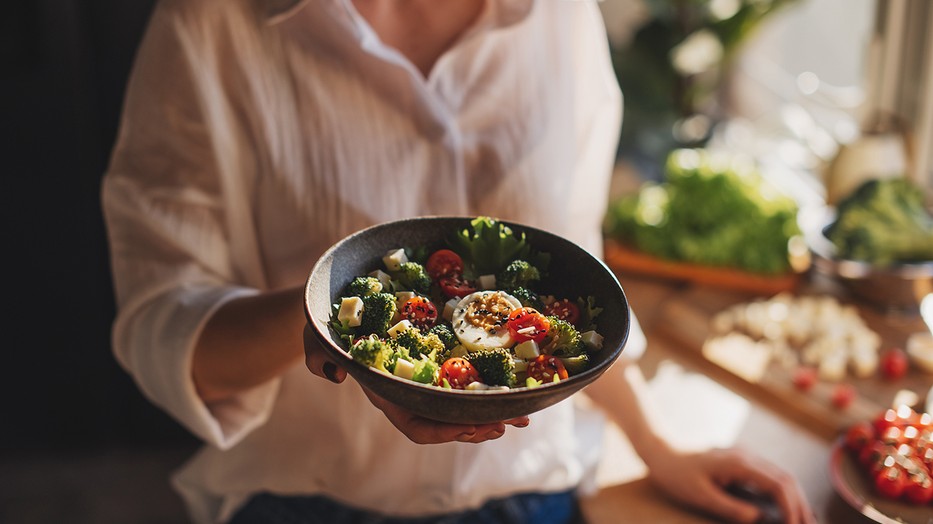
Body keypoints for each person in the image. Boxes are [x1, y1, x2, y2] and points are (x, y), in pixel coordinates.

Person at [102, 0, 816, 523]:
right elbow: (164, 329)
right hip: (306, 501)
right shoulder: (209, 23)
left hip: (530, 494)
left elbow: (571, 268)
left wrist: (659, 445)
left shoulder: (559, 15)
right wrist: (330, 323)